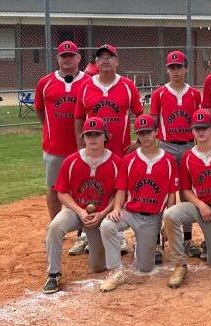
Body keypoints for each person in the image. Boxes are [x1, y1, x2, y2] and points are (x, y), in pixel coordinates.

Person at [72, 44, 142, 256]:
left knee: (116, 191)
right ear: (95, 62)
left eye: (110, 57)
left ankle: (117, 235)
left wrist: (138, 141)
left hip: (119, 151)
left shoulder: (128, 85)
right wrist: (79, 145)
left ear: (117, 62)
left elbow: (140, 115)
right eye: (101, 57)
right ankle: (86, 235)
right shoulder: (85, 86)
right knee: (90, 188)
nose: (105, 60)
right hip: (92, 151)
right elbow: (78, 118)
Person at [98, 115, 179, 292]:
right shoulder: (129, 160)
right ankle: (116, 271)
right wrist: (117, 208)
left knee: (145, 268)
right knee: (107, 225)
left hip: (152, 218)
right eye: (141, 133)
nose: (145, 137)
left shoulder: (169, 160)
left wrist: (167, 221)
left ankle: (140, 247)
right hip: (129, 212)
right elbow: (121, 188)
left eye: (148, 132)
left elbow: (171, 194)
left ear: (156, 133)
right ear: (138, 136)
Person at [162, 109, 211, 288]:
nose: (201, 132)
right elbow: (185, 189)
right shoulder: (188, 156)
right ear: (192, 131)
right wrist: (200, 204)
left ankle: (210, 244)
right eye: (197, 128)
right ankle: (179, 264)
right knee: (170, 215)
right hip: (198, 208)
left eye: (205, 128)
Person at [42, 117, 121, 294]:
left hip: (100, 216)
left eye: (97, 134)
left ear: (105, 137)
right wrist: (79, 211)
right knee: (55, 227)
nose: (92, 139)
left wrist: (101, 215)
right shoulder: (71, 161)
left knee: (98, 266)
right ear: (83, 138)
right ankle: (53, 273)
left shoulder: (116, 162)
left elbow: (118, 194)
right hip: (75, 210)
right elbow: (61, 192)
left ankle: (94, 244)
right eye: (88, 135)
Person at [149, 50, 203, 259]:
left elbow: (200, 124)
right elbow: (153, 122)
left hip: (189, 146)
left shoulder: (194, 94)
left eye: (179, 66)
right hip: (166, 146)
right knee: (162, 192)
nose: (175, 71)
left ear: (186, 68)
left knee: (187, 191)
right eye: (171, 67)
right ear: (167, 69)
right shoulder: (159, 93)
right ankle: (156, 241)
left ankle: (187, 239)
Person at [34, 41, 90, 221]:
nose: (67, 59)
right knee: (53, 187)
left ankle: (83, 233)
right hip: (54, 147)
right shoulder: (45, 82)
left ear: (78, 58)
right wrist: (52, 131)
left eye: (71, 56)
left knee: (84, 188)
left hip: (82, 147)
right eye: (63, 56)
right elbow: (40, 110)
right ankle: (56, 227)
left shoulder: (89, 82)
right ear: (57, 59)